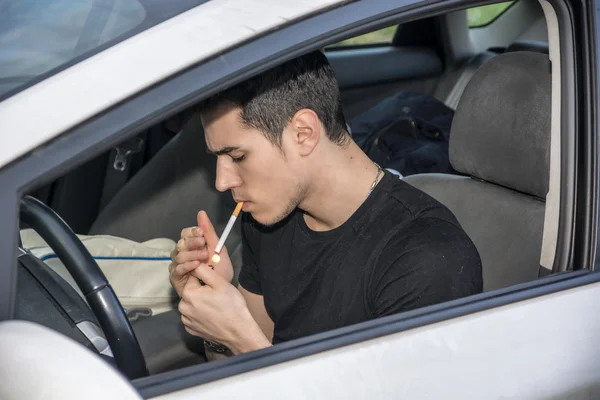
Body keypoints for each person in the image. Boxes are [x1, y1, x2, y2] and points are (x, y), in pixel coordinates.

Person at [169, 50, 483, 359]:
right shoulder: (265, 219)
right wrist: (216, 313)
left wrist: (240, 337)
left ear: (303, 134)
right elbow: (243, 370)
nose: (222, 182)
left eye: (237, 157)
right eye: (219, 159)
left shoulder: (427, 259)